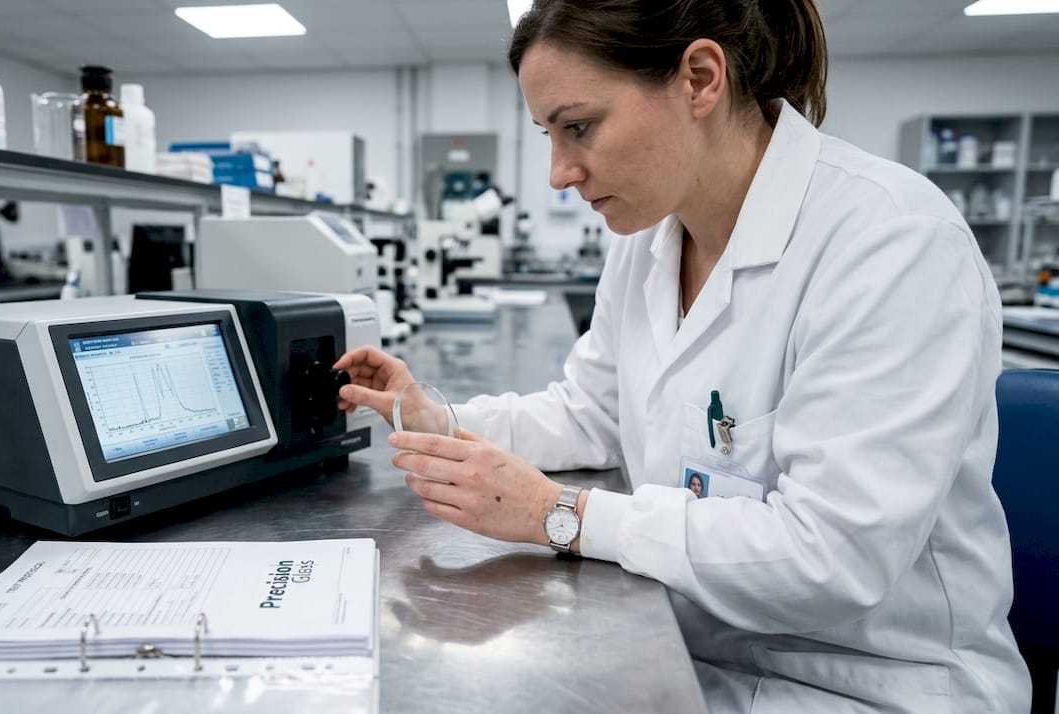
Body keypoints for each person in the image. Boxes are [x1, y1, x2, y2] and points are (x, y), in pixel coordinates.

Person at [334, 0, 1030, 711]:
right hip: (691, 645)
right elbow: (591, 413)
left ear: (700, 78)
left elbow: (833, 556)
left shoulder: (891, 241)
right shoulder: (646, 241)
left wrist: (561, 514)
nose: (558, 172)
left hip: (866, 683)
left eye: (579, 127)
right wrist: (436, 418)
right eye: (548, 134)